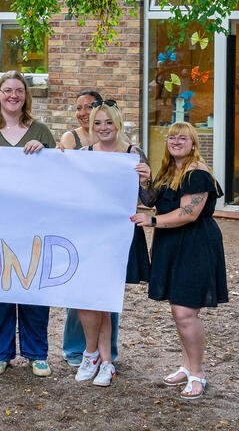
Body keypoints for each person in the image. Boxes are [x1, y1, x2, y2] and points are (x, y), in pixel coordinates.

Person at [0, 70, 56, 378]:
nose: (13, 95)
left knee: (33, 287)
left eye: (19, 90)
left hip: (33, 224)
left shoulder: (40, 130)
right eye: (7, 90)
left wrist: (45, 154)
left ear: (25, 95)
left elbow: (57, 176)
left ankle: (37, 353)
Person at [132, 122, 227, 400]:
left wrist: (152, 221)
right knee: (178, 311)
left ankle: (198, 374)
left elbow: (189, 213)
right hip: (171, 243)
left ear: (193, 142)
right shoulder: (170, 170)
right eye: (172, 137)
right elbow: (153, 200)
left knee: (186, 313)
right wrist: (145, 181)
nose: (176, 141)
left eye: (182, 138)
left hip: (195, 244)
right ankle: (187, 366)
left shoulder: (197, 172)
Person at [73, 100, 151, 386]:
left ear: (118, 124)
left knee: (103, 298)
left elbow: (149, 200)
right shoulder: (84, 154)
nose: (103, 128)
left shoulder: (133, 153)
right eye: (97, 123)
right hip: (88, 233)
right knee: (86, 297)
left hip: (119, 235)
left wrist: (146, 181)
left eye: (108, 122)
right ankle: (94, 355)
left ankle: (102, 361)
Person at [58, 89, 120, 367]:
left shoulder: (121, 145)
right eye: (79, 108)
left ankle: (107, 353)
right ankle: (77, 349)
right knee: (80, 290)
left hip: (109, 227)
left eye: (90, 107)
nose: (83, 112)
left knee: (107, 291)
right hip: (80, 224)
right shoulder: (71, 140)